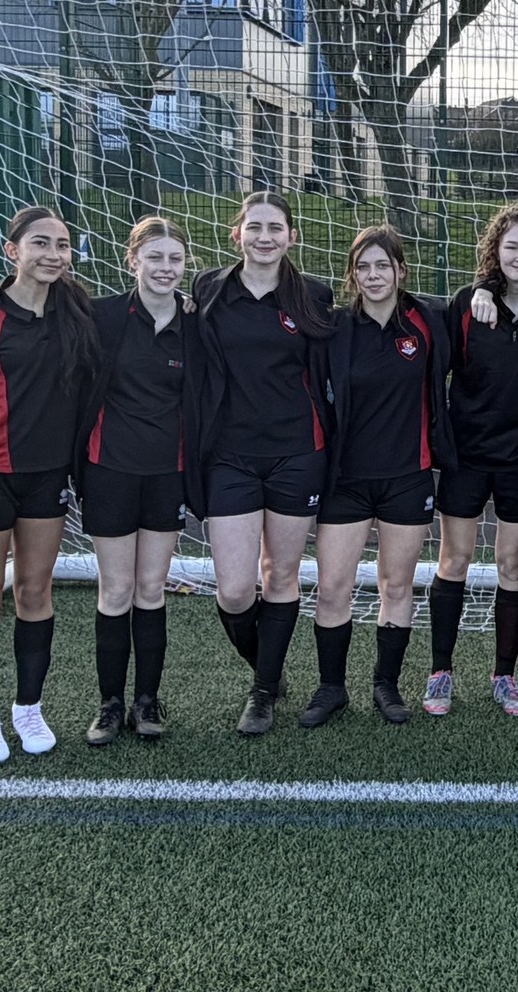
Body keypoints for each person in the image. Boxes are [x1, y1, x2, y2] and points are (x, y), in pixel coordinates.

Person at [0, 205, 96, 764]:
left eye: (62, 244)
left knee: (35, 592)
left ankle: (27, 708)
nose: (53, 254)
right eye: (40, 243)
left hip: (47, 479)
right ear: (14, 251)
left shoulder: (76, 311)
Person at [186, 192, 335, 737]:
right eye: (255, 227)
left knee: (281, 576)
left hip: (297, 454)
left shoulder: (313, 296)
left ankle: (264, 691)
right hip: (229, 457)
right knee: (233, 589)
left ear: (292, 237)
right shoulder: (208, 290)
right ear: (237, 234)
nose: (265, 236)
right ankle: (266, 666)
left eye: (276, 228)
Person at [304, 224, 455, 727]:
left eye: (382, 265)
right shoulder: (332, 328)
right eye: (362, 267)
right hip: (345, 478)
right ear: (352, 274)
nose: (372, 275)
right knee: (332, 588)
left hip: (407, 478)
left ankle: (386, 686)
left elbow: (480, 308)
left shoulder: (428, 322)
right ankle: (331, 687)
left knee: (396, 586)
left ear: (400, 270)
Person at [425, 205, 518, 718]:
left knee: (511, 565)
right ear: (495, 251)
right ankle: (441, 671)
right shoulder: (468, 303)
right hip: (467, 456)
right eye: (512, 247)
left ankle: (504, 676)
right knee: (454, 561)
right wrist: (483, 288)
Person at [79, 216, 194, 745]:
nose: (165, 268)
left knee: (151, 589)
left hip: (166, 476)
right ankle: (109, 704)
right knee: (116, 588)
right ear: (133, 261)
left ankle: (148, 702)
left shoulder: (195, 324)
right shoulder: (101, 317)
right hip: (109, 471)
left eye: (174, 259)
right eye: (155, 257)